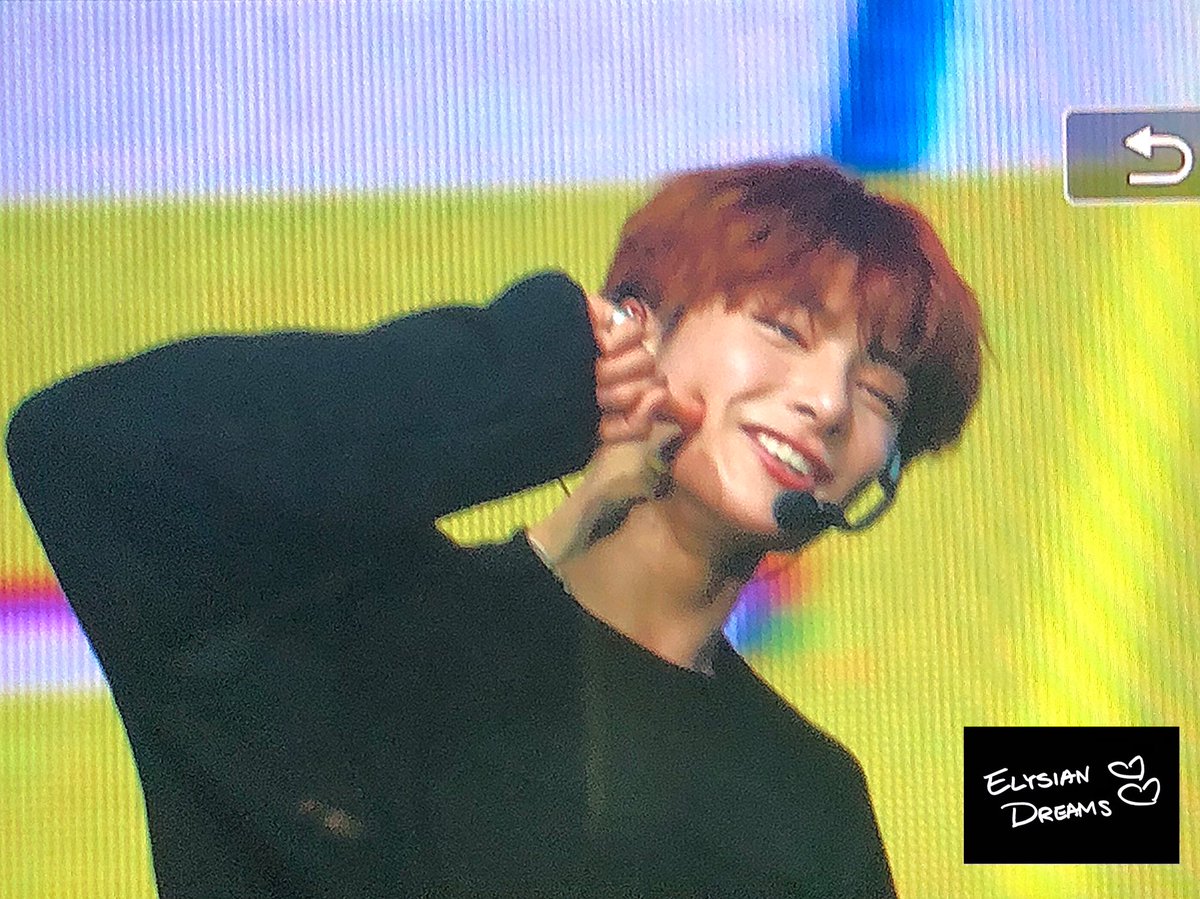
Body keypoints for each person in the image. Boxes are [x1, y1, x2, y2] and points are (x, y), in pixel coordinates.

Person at [6, 157, 983, 897]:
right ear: (639, 324)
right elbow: (90, 449)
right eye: (783, 328)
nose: (826, 401)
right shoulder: (333, 624)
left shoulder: (809, 803)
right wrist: (538, 370)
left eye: (880, 394)